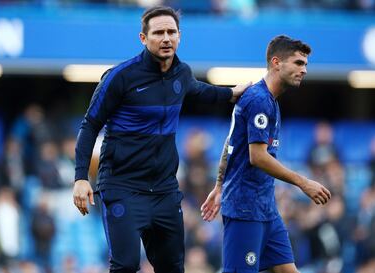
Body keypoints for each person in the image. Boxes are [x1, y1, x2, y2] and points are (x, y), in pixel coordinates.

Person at [72, 6, 249, 273]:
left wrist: (232, 93)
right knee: (126, 265)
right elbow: (89, 125)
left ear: (179, 36)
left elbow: (200, 90)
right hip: (123, 188)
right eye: (158, 33)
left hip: (164, 192)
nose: (166, 38)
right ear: (143, 38)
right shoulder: (120, 77)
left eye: (171, 32)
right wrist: (81, 177)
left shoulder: (182, 73)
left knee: (173, 267)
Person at [201, 35, 331, 273]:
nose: (304, 70)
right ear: (276, 62)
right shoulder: (259, 100)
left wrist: (220, 186)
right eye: (298, 63)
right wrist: (303, 182)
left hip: (266, 209)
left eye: (305, 65)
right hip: (245, 209)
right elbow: (257, 156)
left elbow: (231, 142)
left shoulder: (270, 101)